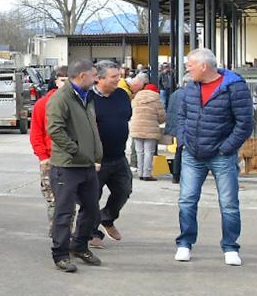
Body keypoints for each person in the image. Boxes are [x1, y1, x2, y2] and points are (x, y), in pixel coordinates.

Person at [167, 47, 254, 265]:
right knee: (186, 201)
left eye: (190, 64)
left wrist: (226, 148)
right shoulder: (190, 88)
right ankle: (184, 244)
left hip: (221, 156)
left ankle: (230, 247)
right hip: (192, 155)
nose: (187, 68)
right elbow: (182, 117)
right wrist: (185, 140)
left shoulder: (235, 88)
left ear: (204, 66)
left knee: (229, 203)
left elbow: (245, 123)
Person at [46, 60, 104, 273]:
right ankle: (60, 254)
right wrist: (76, 150)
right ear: (82, 76)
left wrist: (94, 154)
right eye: (93, 75)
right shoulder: (61, 99)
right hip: (67, 166)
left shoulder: (87, 98)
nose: (96, 78)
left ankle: (79, 245)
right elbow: (55, 130)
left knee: (92, 209)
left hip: (86, 165)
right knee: (64, 212)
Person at [87, 62, 133, 247]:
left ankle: (107, 218)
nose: (118, 80)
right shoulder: (88, 98)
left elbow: (126, 116)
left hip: (119, 156)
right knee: (91, 197)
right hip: (97, 159)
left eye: (119, 76)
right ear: (99, 78)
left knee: (124, 190)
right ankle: (92, 233)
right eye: (114, 77)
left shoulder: (122, 95)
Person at [29, 65, 70, 225]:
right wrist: (43, 157)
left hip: (73, 159)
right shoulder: (43, 104)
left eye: (70, 80)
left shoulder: (80, 103)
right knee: (53, 199)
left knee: (70, 200)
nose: (66, 84)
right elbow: (36, 133)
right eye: (63, 80)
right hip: (50, 159)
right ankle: (58, 232)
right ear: (55, 81)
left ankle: (68, 233)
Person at [129, 71, 167, 181]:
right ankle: (147, 174)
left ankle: (140, 173)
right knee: (148, 152)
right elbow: (162, 117)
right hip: (150, 129)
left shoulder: (136, 98)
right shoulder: (156, 100)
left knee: (139, 152)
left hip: (136, 128)